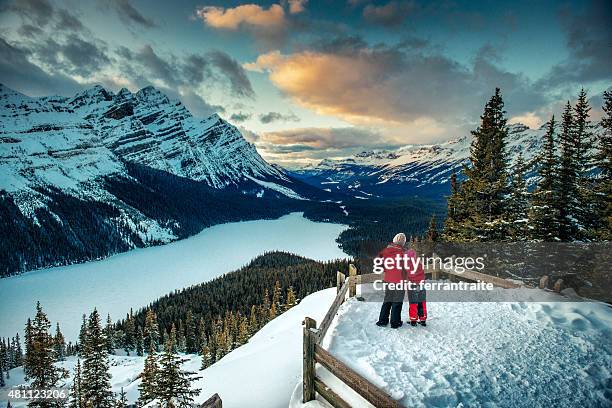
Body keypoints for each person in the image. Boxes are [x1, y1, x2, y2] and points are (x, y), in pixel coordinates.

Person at [376, 233, 407, 329]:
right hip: (400, 281)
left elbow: (378, 261)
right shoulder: (404, 253)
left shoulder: (385, 251)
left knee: (387, 299)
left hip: (388, 279)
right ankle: (395, 322)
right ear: (403, 243)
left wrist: (386, 269)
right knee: (397, 301)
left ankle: (382, 320)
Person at [405, 245, 427, 326]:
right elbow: (423, 274)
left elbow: (406, 275)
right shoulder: (419, 263)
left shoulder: (407, 265)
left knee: (413, 303)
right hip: (421, 284)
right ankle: (423, 319)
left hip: (412, 285)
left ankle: (413, 320)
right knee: (422, 302)